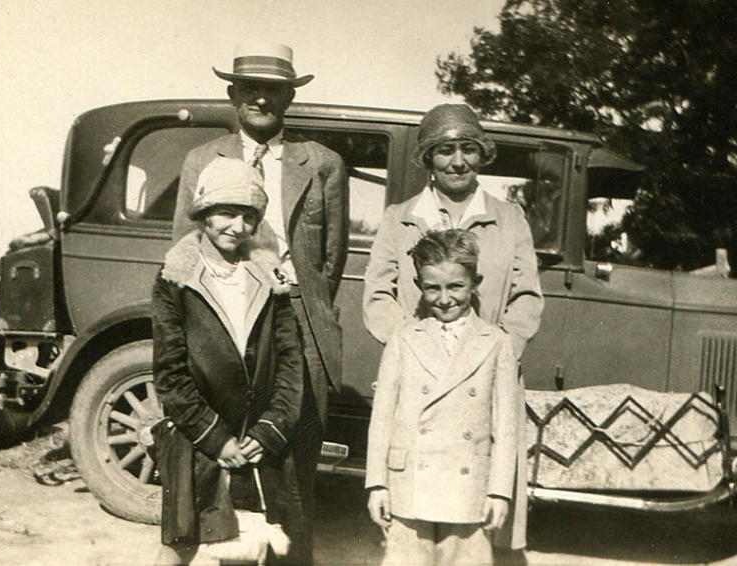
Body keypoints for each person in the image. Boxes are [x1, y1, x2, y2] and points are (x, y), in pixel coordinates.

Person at [171, 41, 348, 564]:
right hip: (226, 324)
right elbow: (185, 252)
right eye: (251, 88)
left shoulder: (322, 164)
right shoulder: (202, 160)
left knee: (295, 477)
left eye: (273, 90)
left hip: (299, 326)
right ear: (233, 93)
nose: (261, 99)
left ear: (289, 97)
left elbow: (329, 261)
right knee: (222, 466)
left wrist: (292, 302)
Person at [152, 157, 305, 565]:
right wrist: (214, 437)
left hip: (255, 436)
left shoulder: (271, 279)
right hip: (198, 434)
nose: (237, 227)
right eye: (226, 213)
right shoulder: (176, 280)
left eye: (248, 216)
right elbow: (170, 374)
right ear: (203, 214)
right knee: (181, 546)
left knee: (247, 544)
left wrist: (269, 430)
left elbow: (291, 364)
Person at [365, 229, 526, 565]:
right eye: (432, 288)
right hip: (408, 484)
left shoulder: (497, 343)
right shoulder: (404, 339)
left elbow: (506, 428)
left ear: (475, 282)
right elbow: (381, 420)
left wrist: (499, 491)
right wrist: (377, 484)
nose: (444, 298)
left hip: (468, 490)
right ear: (419, 286)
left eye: (455, 287)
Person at [362, 103, 543, 360]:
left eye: (468, 149)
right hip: (417, 365)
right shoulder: (398, 219)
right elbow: (378, 295)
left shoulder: (510, 219)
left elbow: (527, 297)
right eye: (446, 151)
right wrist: (412, 346)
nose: (458, 162)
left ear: (481, 156)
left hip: (490, 365)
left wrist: (497, 350)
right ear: (429, 158)